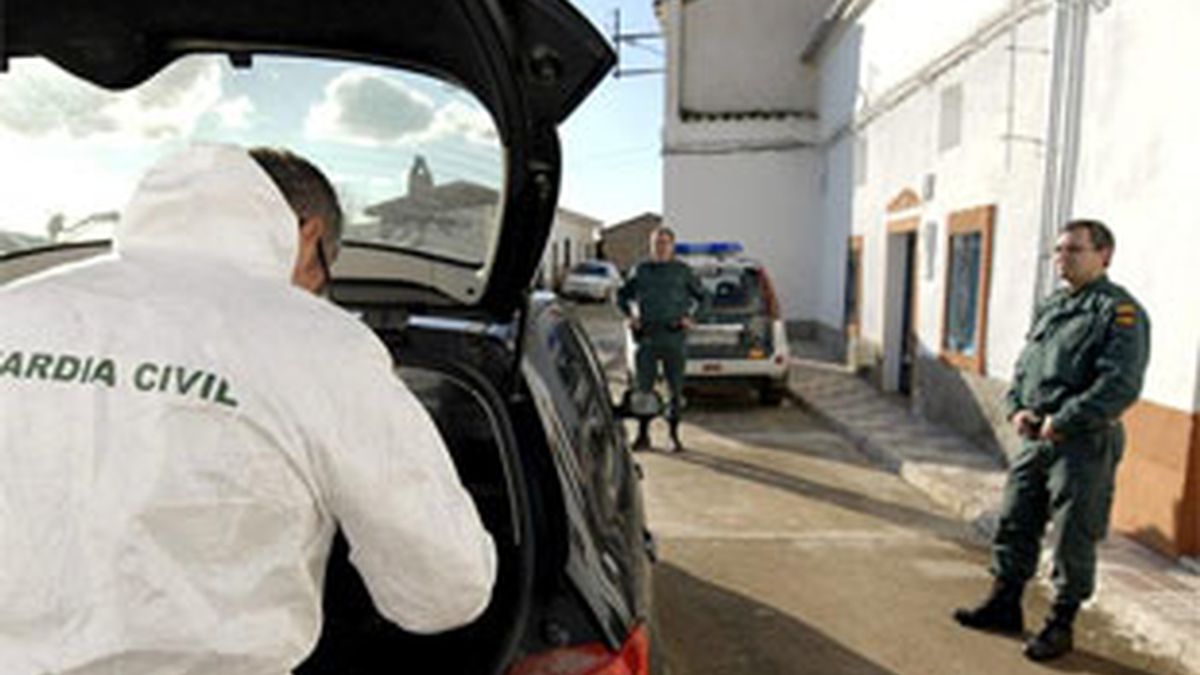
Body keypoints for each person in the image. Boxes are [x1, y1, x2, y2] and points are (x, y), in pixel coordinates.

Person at [0, 144, 497, 674]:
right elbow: (443, 589)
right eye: (324, 269)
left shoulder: (14, 308)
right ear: (307, 237)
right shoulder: (322, 343)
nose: (317, 290)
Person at [953, 219, 1150, 662]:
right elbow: (1027, 365)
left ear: (1105, 255)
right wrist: (1017, 407)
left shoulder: (1119, 313)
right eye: (1059, 250)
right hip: (1037, 437)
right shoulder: (1053, 306)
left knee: (1072, 535)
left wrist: (1063, 419)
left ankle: (1061, 623)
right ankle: (1005, 603)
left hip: (1083, 442)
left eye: (1074, 250)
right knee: (1016, 519)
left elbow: (1121, 384)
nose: (1063, 258)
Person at [617, 225, 709, 453]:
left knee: (675, 390)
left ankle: (673, 436)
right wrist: (630, 316)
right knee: (643, 390)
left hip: (673, 337)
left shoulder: (682, 271)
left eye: (665, 242)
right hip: (647, 338)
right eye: (656, 243)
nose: (660, 247)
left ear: (672, 246)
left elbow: (704, 297)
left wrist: (692, 318)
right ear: (651, 246)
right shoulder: (641, 270)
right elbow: (621, 295)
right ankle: (643, 435)